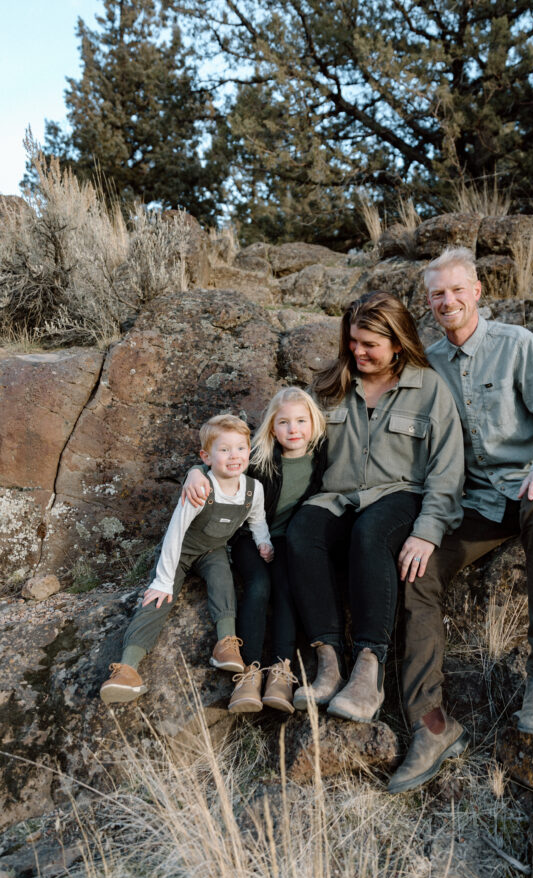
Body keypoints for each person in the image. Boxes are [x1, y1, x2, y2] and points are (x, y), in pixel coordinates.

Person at [388, 247, 533, 794]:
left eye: (455, 290)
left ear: (476, 292)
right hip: (474, 502)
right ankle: (431, 725)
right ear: (429, 303)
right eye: (436, 294)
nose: (447, 301)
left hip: (529, 485)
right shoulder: (426, 365)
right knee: (417, 571)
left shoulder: (518, 345)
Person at [285, 291, 465, 723]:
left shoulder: (429, 387)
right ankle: (328, 662)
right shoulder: (329, 387)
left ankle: (369, 670)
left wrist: (428, 529)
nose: (357, 351)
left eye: (369, 344)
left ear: (398, 343)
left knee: (371, 535)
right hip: (336, 497)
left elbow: (448, 467)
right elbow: (288, 446)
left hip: (400, 496)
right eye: (352, 341)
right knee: (301, 532)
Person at [99, 414, 272, 704]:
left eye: (241, 448)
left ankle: (226, 644)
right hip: (179, 551)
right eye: (224, 449)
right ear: (206, 456)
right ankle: (127, 668)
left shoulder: (253, 490)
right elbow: (175, 533)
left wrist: (263, 541)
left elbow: (257, 519)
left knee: (223, 580)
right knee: (157, 599)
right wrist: (164, 580)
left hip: (212, 550)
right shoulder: (201, 487)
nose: (234, 456)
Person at [182, 388, 328, 714]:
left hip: (291, 542)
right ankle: (249, 674)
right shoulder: (260, 459)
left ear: (314, 422)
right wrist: (193, 472)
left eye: (301, 421)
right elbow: (219, 468)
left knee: (286, 590)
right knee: (259, 587)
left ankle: (282, 670)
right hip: (249, 537)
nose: (293, 429)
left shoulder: (322, 460)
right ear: (272, 427)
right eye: (284, 422)